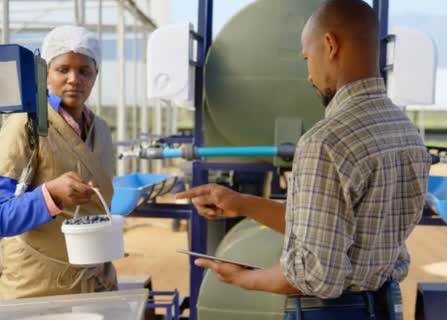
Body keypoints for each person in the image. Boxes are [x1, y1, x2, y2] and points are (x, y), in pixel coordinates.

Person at [176, 0, 431, 319]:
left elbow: (314, 276)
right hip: (382, 306)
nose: (309, 75)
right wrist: (241, 202)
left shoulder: (326, 141)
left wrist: (243, 278)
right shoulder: (405, 131)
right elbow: (331, 227)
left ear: (330, 45)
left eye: (307, 58)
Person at [0, 25, 117, 300]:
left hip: (91, 284)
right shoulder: (24, 125)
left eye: (85, 71)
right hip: (35, 287)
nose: (74, 79)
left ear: (96, 75)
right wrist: (50, 195)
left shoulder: (101, 130)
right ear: (45, 72)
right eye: (63, 69)